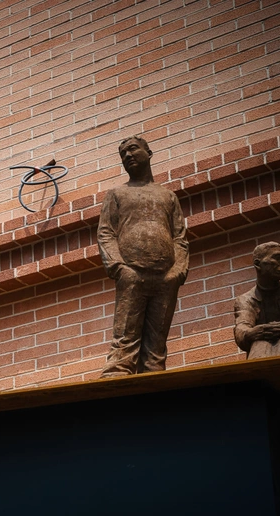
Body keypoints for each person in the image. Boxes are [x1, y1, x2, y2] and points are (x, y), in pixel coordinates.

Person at [97, 136, 189, 377]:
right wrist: (119, 268)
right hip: (131, 275)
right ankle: (116, 381)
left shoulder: (168, 196)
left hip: (166, 278)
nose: (127, 155)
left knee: (156, 348)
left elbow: (180, 237)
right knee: (124, 341)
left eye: (132, 149)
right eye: (123, 154)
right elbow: (106, 233)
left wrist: (178, 271)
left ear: (149, 153)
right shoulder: (116, 194)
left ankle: (154, 385)